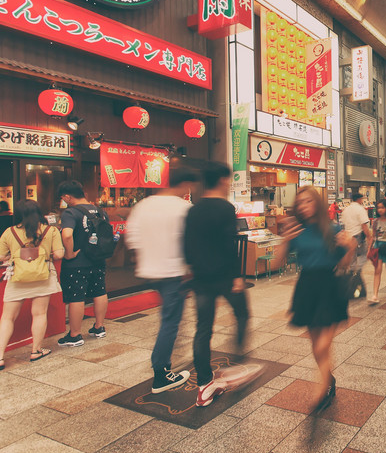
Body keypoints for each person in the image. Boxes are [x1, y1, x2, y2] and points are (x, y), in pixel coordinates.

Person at [278, 186, 355, 411]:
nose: (303, 206)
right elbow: (277, 263)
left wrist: (350, 248)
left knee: (323, 346)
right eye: (300, 202)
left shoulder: (331, 229)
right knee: (315, 344)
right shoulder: (297, 231)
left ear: (317, 204)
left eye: (308, 201)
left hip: (330, 287)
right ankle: (328, 380)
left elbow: (344, 264)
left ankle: (321, 390)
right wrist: (285, 240)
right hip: (306, 288)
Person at [125, 167, 199, 393]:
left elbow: (133, 240)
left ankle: (161, 365)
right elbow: (191, 243)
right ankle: (161, 373)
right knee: (171, 320)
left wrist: (144, 261)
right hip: (174, 272)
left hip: (150, 271)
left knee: (168, 317)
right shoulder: (184, 208)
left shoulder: (143, 205)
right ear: (185, 184)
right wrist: (191, 270)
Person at [184, 162, 249, 407]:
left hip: (200, 279)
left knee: (203, 329)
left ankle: (204, 382)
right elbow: (228, 245)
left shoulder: (193, 210)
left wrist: (191, 269)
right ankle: (239, 362)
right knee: (242, 315)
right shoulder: (224, 208)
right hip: (224, 277)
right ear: (222, 180)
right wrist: (237, 276)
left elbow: (187, 246)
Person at [0, 200, 64, 369]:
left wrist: (13, 256)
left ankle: (0, 357)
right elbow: (59, 254)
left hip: (17, 277)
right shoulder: (51, 231)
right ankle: (36, 351)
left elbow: (0, 256)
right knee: (39, 314)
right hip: (43, 276)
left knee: (7, 317)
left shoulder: (10, 232)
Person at [56, 180, 110, 346]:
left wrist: (70, 253)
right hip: (98, 259)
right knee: (99, 291)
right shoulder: (100, 211)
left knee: (76, 297)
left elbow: (66, 235)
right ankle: (99, 327)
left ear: (67, 196)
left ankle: (75, 335)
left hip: (78, 263)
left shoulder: (71, 212)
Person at [368, 199, 386, 301]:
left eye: (382, 207)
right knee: (378, 270)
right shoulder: (375, 222)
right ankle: (375, 294)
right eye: (378, 208)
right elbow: (373, 236)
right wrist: (369, 249)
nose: (380, 210)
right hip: (378, 247)